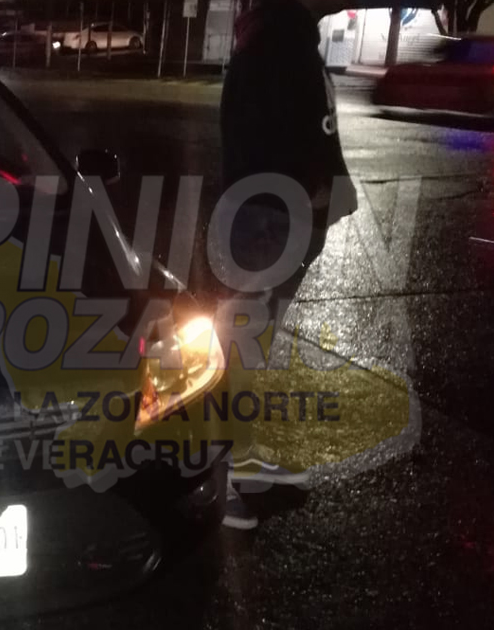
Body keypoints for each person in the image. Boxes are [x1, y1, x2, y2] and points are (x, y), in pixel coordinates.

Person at [216, 0, 361, 529]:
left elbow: (315, 130)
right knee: (239, 346)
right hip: (267, 219)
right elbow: (263, 141)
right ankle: (222, 476)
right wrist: (310, 195)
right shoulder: (276, 46)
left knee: (253, 347)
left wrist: (327, 195)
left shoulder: (289, 39)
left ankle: (246, 459)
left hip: (280, 217)